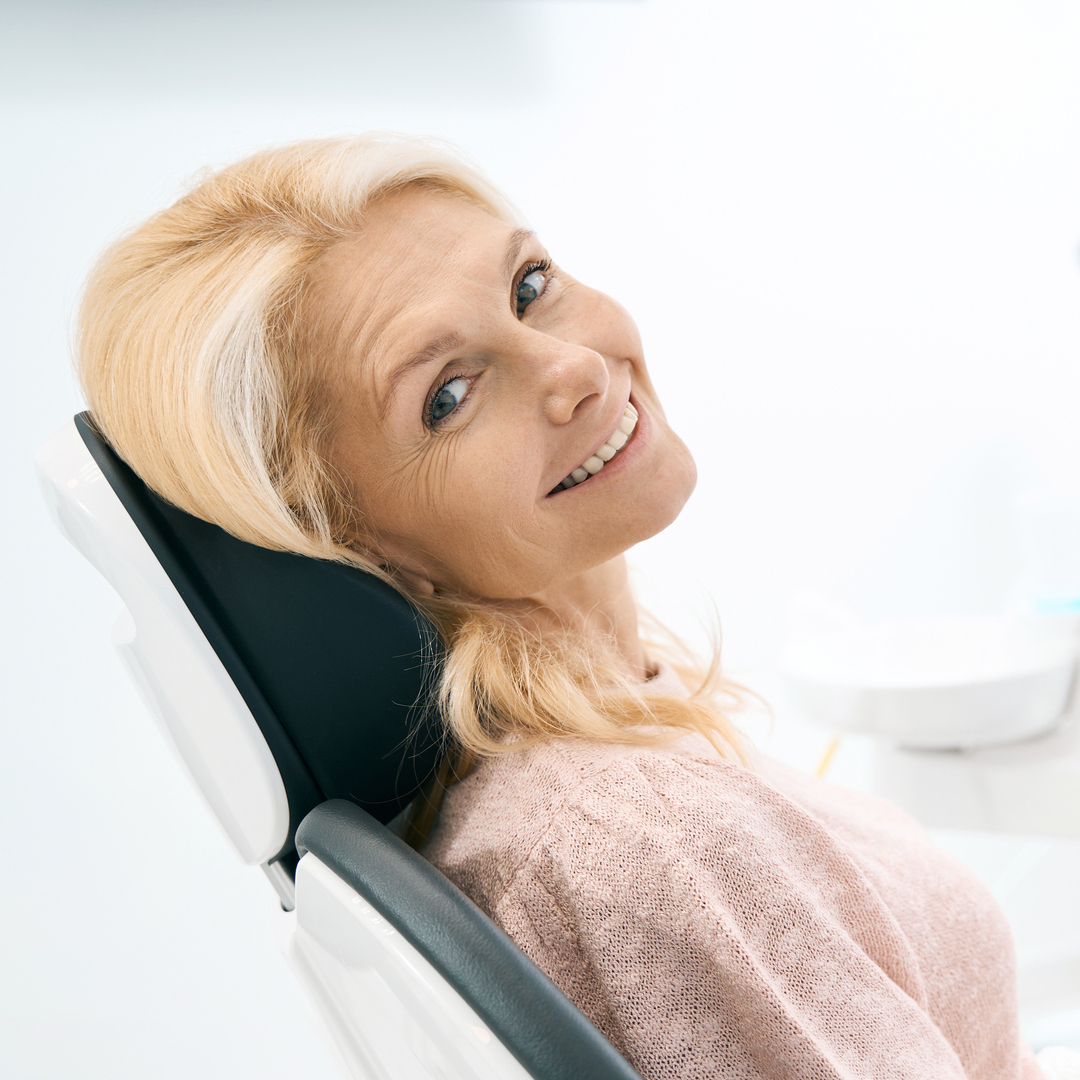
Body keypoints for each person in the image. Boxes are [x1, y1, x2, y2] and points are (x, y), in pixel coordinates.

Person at [77, 134, 1051, 1080]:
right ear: (351, 545)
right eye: (448, 394)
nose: (574, 368)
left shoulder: (613, 756)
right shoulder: (642, 846)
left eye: (529, 288)